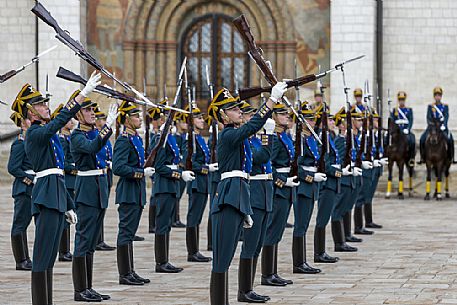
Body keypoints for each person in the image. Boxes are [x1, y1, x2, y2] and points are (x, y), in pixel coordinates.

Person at [19, 72, 100, 305]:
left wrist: (68, 204)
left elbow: (58, 173)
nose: (46, 107)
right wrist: (80, 96)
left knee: (51, 257)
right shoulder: (34, 134)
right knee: (42, 256)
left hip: (56, 195)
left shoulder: (48, 134)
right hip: (45, 196)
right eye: (40, 105)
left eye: (45, 103)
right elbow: (56, 122)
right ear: (30, 111)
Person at [207, 83, 286, 304]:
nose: (239, 111)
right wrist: (270, 102)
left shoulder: (236, 136)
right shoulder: (228, 135)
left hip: (239, 194)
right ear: (222, 116)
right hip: (229, 196)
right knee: (222, 258)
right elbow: (250, 128)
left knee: (228, 255)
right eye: (233, 109)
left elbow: (257, 152)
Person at [67, 93, 117, 301]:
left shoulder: (93, 133)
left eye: (93, 110)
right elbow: (92, 148)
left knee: (91, 243)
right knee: (83, 240)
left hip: (99, 189)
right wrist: (108, 128)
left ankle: (88, 287)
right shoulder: (77, 136)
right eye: (87, 110)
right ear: (78, 114)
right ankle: (80, 290)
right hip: (87, 190)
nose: (92, 113)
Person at [112, 101, 155, 285]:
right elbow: (118, 167)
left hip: (136, 191)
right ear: (127, 120)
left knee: (130, 233)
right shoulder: (124, 140)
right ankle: (124, 274)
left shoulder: (136, 138)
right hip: (128, 191)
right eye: (136, 116)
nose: (139, 119)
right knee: (125, 233)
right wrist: (140, 173)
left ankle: (130, 270)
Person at [238, 102, 274, 302]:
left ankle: (249, 288)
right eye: (250, 117)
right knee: (250, 245)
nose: (254, 120)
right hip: (255, 195)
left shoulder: (256, 140)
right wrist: (269, 136)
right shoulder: (247, 141)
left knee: (258, 244)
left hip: (265, 193)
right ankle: (243, 290)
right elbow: (261, 157)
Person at [151, 105, 194, 273]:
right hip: (164, 186)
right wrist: (179, 174)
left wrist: (181, 172)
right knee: (162, 224)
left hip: (171, 186)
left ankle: (165, 260)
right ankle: (160, 262)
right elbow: (160, 166)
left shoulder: (170, 139)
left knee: (167, 224)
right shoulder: (161, 140)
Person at [261, 103, 298, 287]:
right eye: (282, 114)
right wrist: (283, 180)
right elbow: (268, 166)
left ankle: (273, 272)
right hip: (278, 189)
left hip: (286, 188)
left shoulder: (284, 136)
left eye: (287, 114)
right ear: (274, 116)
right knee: (272, 231)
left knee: (278, 232)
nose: (287, 117)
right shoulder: (274, 139)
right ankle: (267, 274)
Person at [292, 102, 323, 274]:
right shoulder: (301, 140)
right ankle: (298, 263)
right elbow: (297, 166)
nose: (312, 123)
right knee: (300, 224)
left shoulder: (310, 139)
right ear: (302, 122)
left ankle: (302, 261)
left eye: (313, 120)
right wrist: (311, 178)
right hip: (304, 186)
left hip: (312, 186)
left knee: (305, 223)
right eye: (309, 120)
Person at [184, 106, 215, 263]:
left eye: (202, 118)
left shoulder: (200, 138)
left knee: (197, 218)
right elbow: (188, 163)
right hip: (196, 182)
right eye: (198, 118)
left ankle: (195, 250)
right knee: (193, 217)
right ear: (191, 121)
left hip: (203, 182)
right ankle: (192, 251)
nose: (202, 121)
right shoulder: (190, 139)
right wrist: (205, 168)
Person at [7, 111, 34, 271]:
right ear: (23, 123)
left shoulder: (30, 142)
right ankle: (21, 259)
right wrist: (29, 178)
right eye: (29, 120)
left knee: (25, 223)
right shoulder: (19, 143)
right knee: (20, 224)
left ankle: (26, 258)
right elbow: (13, 167)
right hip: (24, 189)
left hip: (32, 187)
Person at [50, 105, 75, 263]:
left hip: (71, 181)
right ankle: (63, 250)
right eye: (69, 119)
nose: (72, 122)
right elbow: (63, 163)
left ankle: (65, 249)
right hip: (66, 180)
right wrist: (74, 168)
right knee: (65, 217)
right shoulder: (61, 140)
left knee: (69, 216)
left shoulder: (68, 138)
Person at [93, 104, 116, 251]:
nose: (101, 121)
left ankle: (100, 239)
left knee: (103, 207)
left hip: (106, 174)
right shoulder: (96, 136)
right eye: (99, 119)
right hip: (98, 173)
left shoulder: (104, 137)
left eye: (102, 119)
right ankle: (96, 240)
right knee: (96, 209)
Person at [420, 87, 454, 163]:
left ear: (441, 96)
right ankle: (423, 157)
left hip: (442, 128)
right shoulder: (430, 107)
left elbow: (446, 116)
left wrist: (444, 125)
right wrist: (432, 126)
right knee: (422, 139)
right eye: (436, 95)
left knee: (450, 140)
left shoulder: (445, 106)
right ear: (434, 97)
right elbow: (428, 117)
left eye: (439, 95)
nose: (437, 97)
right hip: (432, 128)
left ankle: (450, 158)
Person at [391, 91, 415, 165]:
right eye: (400, 100)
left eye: (403, 100)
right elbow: (392, 121)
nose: (401, 101)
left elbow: (410, 120)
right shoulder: (395, 110)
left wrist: (407, 129)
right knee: (387, 139)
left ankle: (411, 158)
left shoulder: (409, 110)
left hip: (405, 130)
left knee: (412, 140)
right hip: (397, 131)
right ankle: (387, 157)